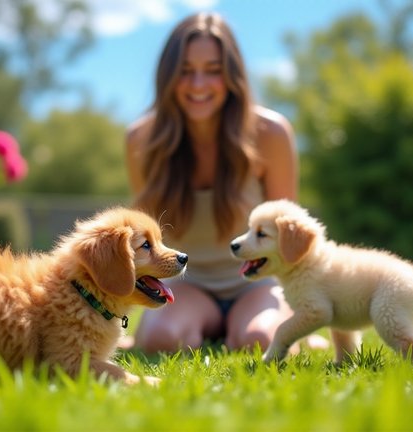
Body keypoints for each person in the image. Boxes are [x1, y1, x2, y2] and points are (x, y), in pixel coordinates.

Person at [123, 12, 327, 354]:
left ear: (232, 76)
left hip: (257, 284)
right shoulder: (141, 140)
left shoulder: (271, 134)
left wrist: (301, 307)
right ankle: (202, 326)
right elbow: (145, 242)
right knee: (160, 340)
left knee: (260, 340)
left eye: (213, 70)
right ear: (168, 77)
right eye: (185, 71)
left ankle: (272, 329)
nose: (198, 84)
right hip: (186, 284)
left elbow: (290, 242)